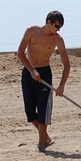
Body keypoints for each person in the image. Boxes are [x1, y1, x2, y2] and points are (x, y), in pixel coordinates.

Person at [17, 10, 71, 152]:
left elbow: (67, 64)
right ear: (48, 22)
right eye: (56, 26)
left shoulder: (57, 39)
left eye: (60, 28)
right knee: (30, 111)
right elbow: (20, 53)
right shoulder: (31, 31)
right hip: (29, 73)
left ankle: (41, 144)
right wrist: (32, 70)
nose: (58, 30)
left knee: (43, 111)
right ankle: (46, 137)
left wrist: (62, 85)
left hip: (45, 74)